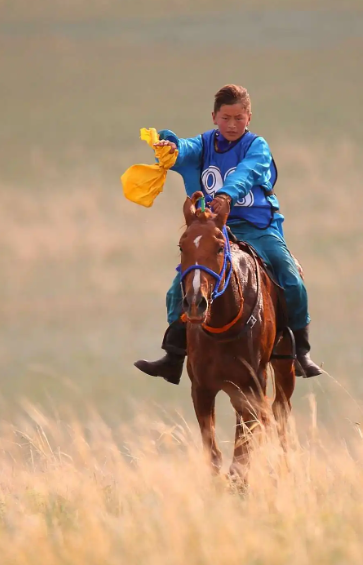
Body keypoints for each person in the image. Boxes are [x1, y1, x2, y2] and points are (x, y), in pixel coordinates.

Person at [134, 84, 322, 383]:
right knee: (179, 286)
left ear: (249, 117)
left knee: (290, 276)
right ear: (214, 117)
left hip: (258, 228)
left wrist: (225, 194)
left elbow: (247, 172)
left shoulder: (256, 146)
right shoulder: (204, 144)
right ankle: (173, 355)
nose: (232, 124)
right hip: (214, 229)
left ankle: (300, 349)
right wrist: (170, 145)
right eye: (225, 118)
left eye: (238, 118)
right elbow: (185, 148)